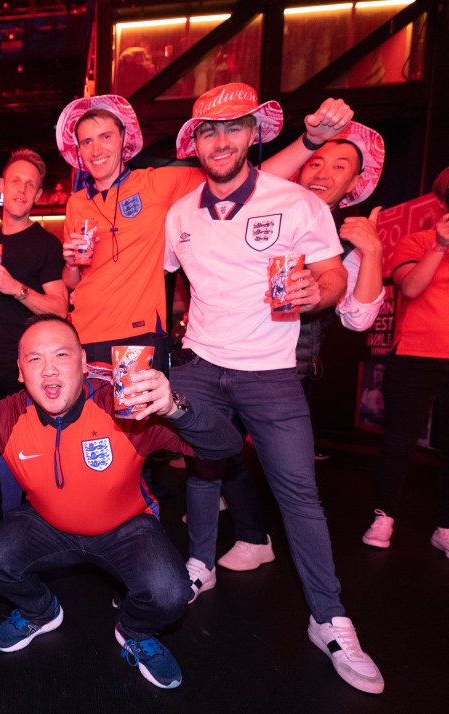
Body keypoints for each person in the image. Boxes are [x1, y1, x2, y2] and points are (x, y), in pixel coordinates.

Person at [163, 83, 383, 694]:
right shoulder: (179, 213)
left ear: (254, 135)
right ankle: (199, 565)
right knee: (200, 466)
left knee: (299, 495)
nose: (221, 140)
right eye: (209, 130)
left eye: (234, 128)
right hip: (203, 362)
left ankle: (330, 619)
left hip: (272, 370)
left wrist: (324, 291)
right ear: (196, 144)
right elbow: (168, 279)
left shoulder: (295, 202)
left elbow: (334, 273)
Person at [0, 315, 242, 689]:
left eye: (61, 355)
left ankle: (135, 631)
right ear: (20, 371)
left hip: (125, 528)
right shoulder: (8, 415)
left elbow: (227, 445)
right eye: (34, 359)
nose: (48, 370)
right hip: (48, 524)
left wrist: (174, 406)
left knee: (170, 594)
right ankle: (41, 611)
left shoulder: (122, 406)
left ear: (82, 360)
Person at [55, 93, 353, 367]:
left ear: (123, 139)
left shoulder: (159, 183)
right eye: (87, 141)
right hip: (82, 332)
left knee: (131, 421)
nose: (97, 149)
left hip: (136, 335)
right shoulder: (76, 203)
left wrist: (309, 142)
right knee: (90, 423)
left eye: (105, 136)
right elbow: (72, 281)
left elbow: (247, 180)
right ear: (79, 150)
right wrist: (70, 261)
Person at [216, 122, 387, 571]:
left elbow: (359, 318)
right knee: (221, 447)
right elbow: (235, 184)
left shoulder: (348, 236)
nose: (323, 172)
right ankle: (251, 533)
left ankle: (293, 559)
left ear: (355, 184)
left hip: (288, 368)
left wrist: (372, 252)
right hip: (231, 352)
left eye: (340, 166)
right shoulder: (269, 209)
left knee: (289, 478)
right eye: (316, 161)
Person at [361, 166, 449, 555]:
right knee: (399, 441)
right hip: (416, 353)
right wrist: (440, 245)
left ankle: (445, 527)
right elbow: (410, 287)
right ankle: (384, 516)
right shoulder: (417, 241)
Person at [0, 149, 68, 401]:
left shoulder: (46, 244)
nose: (22, 190)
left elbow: (60, 308)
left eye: (30, 185)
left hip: (33, 371)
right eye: (15, 181)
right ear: (2, 185)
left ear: (37, 195)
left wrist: (15, 287)